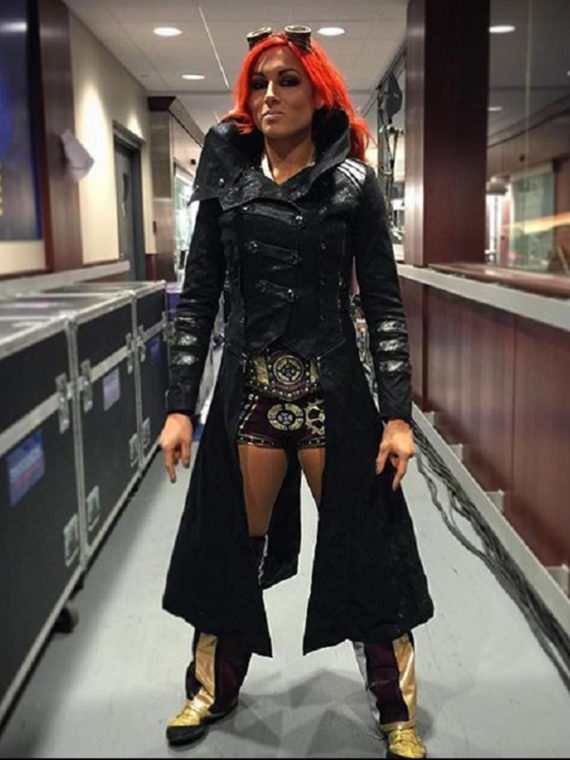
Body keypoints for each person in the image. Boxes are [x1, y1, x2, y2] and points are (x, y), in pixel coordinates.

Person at [158, 25, 434, 760]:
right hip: (248, 396)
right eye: (259, 82)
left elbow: (384, 306)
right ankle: (210, 690)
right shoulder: (224, 181)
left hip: (333, 395)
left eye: (287, 81)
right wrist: (180, 405)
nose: (269, 95)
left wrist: (398, 416)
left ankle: (394, 709)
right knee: (228, 549)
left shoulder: (354, 185)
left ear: (319, 94)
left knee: (367, 550)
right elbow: (199, 301)